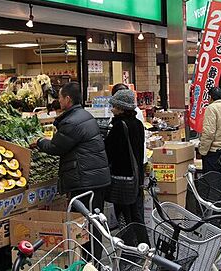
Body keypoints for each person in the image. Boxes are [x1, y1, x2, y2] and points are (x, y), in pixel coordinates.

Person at [33, 82, 110, 260]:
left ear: (68, 99)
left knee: (84, 223)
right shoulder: (84, 115)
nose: (58, 100)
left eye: (59, 97)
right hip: (94, 176)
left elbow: (56, 147)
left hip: (84, 179)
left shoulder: (72, 121)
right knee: (94, 222)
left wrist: (39, 142)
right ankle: (93, 260)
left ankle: (88, 261)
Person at [104, 89, 146, 227]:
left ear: (121, 108)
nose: (112, 110)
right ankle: (141, 242)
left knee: (123, 213)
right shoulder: (138, 124)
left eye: (114, 107)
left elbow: (110, 151)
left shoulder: (119, 126)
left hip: (122, 177)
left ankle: (128, 243)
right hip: (136, 176)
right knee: (136, 214)